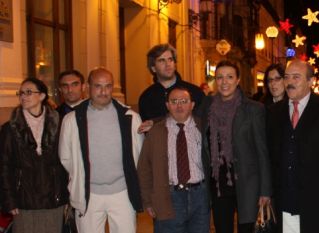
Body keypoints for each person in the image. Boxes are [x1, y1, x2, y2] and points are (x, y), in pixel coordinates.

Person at [267, 59, 319, 233]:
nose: (289, 82)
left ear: (310, 81)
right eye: (287, 77)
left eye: (296, 77)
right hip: (285, 202)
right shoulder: (273, 113)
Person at [59, 68, 144, 233]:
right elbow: (66, 157)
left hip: (122, 193)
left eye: (108, 86)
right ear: (88, 87)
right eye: (98, 86)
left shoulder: (130, 117)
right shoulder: (72, 120)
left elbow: (139, 153)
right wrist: (80, 176)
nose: (103, 91)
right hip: (89, 195)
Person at [196, 60, 271, 233]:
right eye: (220, 77)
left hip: (248, 183)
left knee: (247, 229)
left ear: (238, 80)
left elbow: (262, 150)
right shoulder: (207, 106)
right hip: (219, 184)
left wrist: (265, 190)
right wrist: (154, 123)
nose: (224, 82)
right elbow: (185, 116)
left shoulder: (254, 109)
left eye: (230, 77)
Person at [0, 78, 69, 233]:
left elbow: (67, 162)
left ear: (42, 96)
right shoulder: (10, 128)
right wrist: (9, 201)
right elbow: (4, 167)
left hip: (54, 197)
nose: (23, 96)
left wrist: (68, 194)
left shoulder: (59, 124)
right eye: (21, 93)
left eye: (29, 92)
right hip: (24, 198)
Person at [138, 86, 210, 233]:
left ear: (192, 105)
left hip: (200, 197)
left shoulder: (203, 128)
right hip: (169, 198)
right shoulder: (156, 132)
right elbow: (144, 168)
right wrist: (148, 201)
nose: (179, 105)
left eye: (184, 101)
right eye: (174, 101)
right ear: (167, 105)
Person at [138, 44, 205, 132]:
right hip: (160, 145)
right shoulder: (146, 98)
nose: (168, 64)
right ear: (153, 68)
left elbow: (202, 123)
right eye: (162, 60)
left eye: (170, 59)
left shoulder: (195, 92)